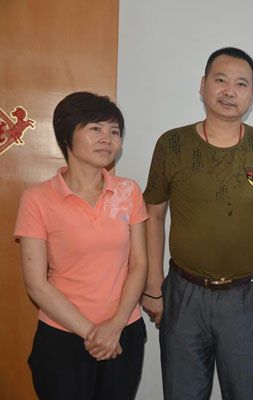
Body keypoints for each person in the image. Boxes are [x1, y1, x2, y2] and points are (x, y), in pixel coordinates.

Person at [141, 47, 253, 400]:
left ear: (252, 94)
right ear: (203, 86)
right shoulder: (172, 143)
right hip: (185, 292)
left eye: (241, 84)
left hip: (246, 295)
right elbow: (153, 215)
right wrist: (153, 286)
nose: (230, 91)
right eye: (221, 80)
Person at [14, 92, 148, 399]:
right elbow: (36, 284)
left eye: (115, 131)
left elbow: (139, 264)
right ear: (67, 135)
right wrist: (94, 334)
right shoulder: (37, 199)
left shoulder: (128, 191)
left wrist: (114, 326)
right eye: (95, 128)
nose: (107, 139)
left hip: (123, 330)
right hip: (63, 334)